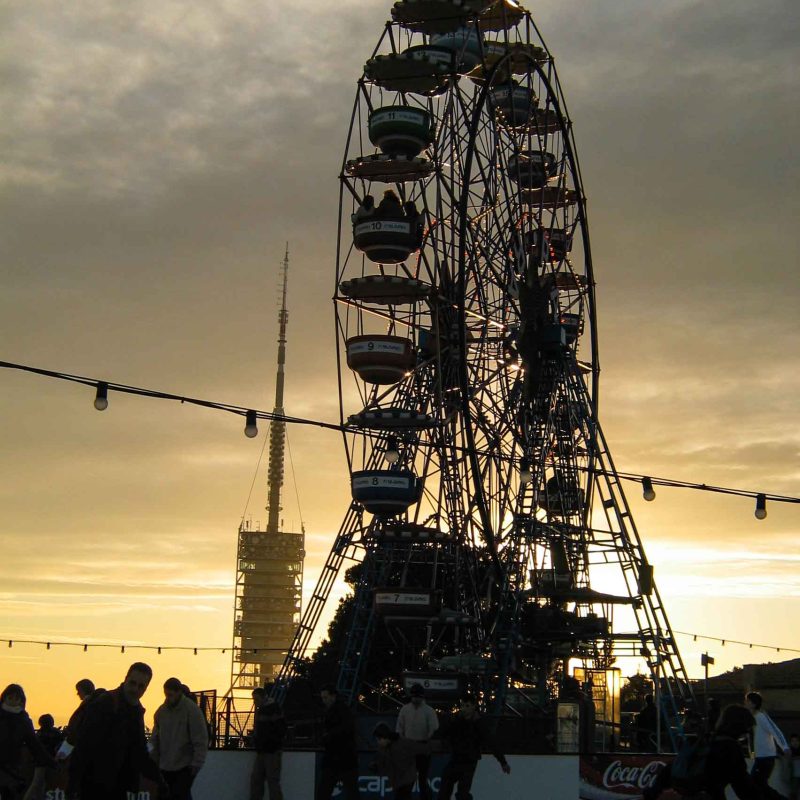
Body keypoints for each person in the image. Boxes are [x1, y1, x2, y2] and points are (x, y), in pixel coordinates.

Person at [69, 662, 163, 800]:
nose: (135, 689)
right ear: (125, 679)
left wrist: (159, 780)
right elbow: (84, 745)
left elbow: (139, 750)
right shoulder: (105, 703)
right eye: (133, 683)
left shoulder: (136, 711)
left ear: (146, 688)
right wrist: (73, 785)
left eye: (141, 686)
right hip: (93, 783)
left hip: (117, 784)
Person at [643, 704, 761, 800]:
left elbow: (675, 766)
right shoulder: (730, 748)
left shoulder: (706, 740)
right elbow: (742, 785)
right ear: (740, 727)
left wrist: (654, 791)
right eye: (747, 730)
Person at [434, 694, 510, 800]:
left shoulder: (479, 723)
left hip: (469, 762)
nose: (464, 709)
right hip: (456, 759)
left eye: (467, 706)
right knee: (444, 789)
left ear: (473, 707)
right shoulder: (456, 720)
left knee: (462, 793)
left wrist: (502, 761)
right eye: (463, 706)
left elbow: (490, 742)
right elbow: (443, 733)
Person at [149, 676, 208, 800]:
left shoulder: (192, 711)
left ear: (179, 692)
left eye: (170, 695)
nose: (168, 698)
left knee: (179, 795)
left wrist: (196, 764)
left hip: (184, 767)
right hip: (165, 766)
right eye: (166, 694)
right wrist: (153, 758)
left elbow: (200, 739)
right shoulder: (161, 711)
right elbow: (155, 738)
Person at [0, 685, 54, 800]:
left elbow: (34, 744)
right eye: (10, 698)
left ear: (21, 700)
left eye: (16, 698)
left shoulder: (23, 721)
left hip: (11, 767)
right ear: (4, 698)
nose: (13, 701)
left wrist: (50, 762)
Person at [745, 691, 791, 800]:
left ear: (753, 704)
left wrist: (784, 747)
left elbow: (775, 730)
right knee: (758, 785)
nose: (745, 703)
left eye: (747, 701)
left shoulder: (761, 716)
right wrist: (752, 754)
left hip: (766, 757)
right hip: (760, 757)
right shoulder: (752, 718)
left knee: (757, 784)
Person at [396, 684, 438, 800]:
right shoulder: (405, 710)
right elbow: (399, 729)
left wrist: (427, 739)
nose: (416, 699)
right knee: (408, 780)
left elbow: (434, 728)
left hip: (423, 747)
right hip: (409, 748)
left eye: (418, 697)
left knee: (422, 780)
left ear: (422, 697)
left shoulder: (429, 711)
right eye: (414, 696)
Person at [317, 685, 358, 800]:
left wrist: (328, 737)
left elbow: (344, 730)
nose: (323, 700)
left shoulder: (338, 711)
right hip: (344, 757)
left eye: (325, 697)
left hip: (338, 756)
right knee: (351, 790)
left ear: (333, 696)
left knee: (324, 790)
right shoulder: (343, 710)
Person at [372, 723, 429, 800]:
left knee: (403, 796)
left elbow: (419, 748)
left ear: (385, 737)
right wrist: (376, 766)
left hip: (406, 779)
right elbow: (382, 762)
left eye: (379, 739)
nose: (378, 742)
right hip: (398, 781)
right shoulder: (383, 748)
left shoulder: (402, 743)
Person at [249, 688, 287, 800]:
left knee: (265, 780)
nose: (255, 702)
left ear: (263, 697)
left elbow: (280, 730)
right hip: (266, 750)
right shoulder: (269, 709)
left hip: (270, 750)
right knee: (264, 780)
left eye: (256, 699)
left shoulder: (272, 709)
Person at [789, 733, 800, 800]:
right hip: (794, 776)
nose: (795, 743)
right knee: (793, 793)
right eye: (793, 741)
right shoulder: (789, 750)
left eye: (796, 741)